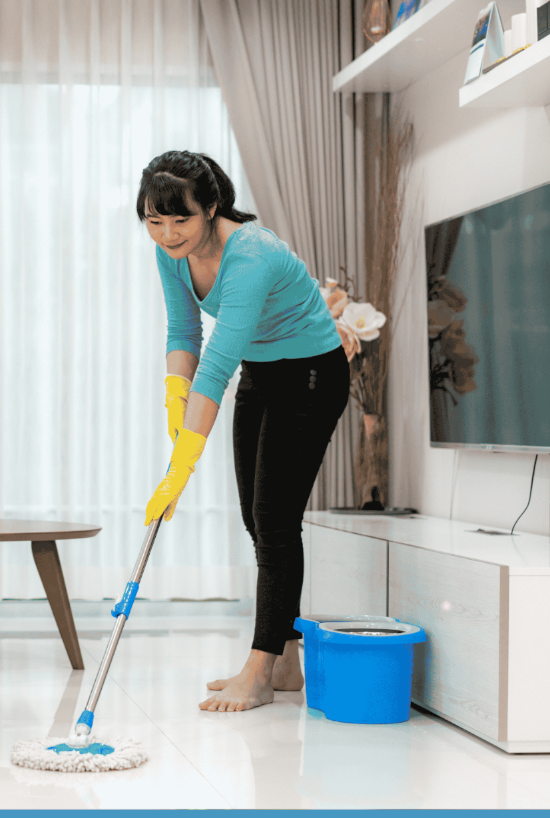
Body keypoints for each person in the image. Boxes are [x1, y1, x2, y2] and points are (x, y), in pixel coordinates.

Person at [138, 150, 350, 712]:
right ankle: (285, 664)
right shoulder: (171, 252)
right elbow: (184, 332)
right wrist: (174, 397)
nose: (167, 233)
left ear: (211, 208)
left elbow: (216, 365)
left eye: (180, 219)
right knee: (256, 519)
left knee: (275, 521)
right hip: (262, 369)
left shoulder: (252, 254)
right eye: (154, 221)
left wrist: (182, 464)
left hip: (311, 374)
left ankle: (258, 671)